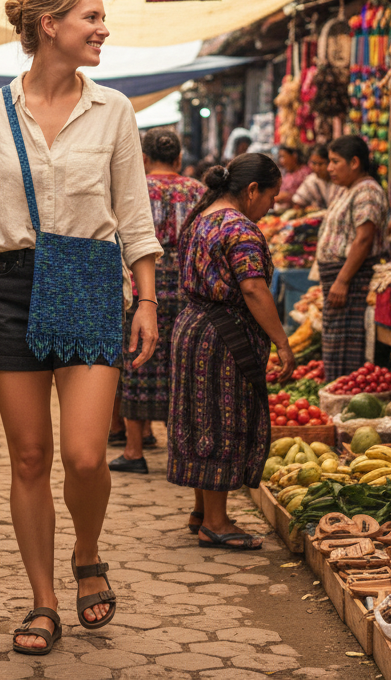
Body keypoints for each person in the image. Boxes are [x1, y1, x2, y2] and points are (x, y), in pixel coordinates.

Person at [0, 0, 162, 656]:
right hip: (8, 285)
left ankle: (87, 553)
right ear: (49, 25)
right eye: (91, 17)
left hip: (92, 281)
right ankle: (42, 601)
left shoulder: (115, 110)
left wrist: (147, 297)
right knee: (32, 457)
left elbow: (135, 214)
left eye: (101, 19)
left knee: (85, 453)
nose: (102, 29)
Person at [168, 154, 295, 548]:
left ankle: (203, 511)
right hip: (223, 337)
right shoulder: (239, 228)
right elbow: (254, 288)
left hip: (192, 329)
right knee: (221, 421)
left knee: (200, 418)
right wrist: (282, 341)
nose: (272, 206)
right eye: (271, 197)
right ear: (252, 189)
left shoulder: (200, 217)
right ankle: (217, 523)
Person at [109, 128, 206, 475]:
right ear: (179, 158)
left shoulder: (134, 188)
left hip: (141, 283)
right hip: (186, 284)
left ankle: (135, 449)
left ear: (144, 159)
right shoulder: (198, 190)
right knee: (181, 364)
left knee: (138, 360)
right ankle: (180, 450)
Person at [315, 136, 389, 380]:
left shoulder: (367, 191)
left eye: (335, 162)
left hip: (353, 279)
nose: (329, 168)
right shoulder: (348, 190)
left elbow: (364, 239)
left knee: (348, 343)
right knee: (336, 343)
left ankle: (348, 397)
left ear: (355, 162)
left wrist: (343, 280)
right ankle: (338, 393)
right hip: (340, 277)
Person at [291, 145, 341, 210]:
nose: (317, 168)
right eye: (314, 163)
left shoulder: (339, 180)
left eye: (321, 164)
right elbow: (298, 201)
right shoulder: (311, 180)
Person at [273, 144, 311, 209]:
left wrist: (288, 196)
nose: (281, 161)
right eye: (280, 158)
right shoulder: (285, 174)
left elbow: (307, 196)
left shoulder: (305, 172)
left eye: (283, 157)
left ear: (294, 156)